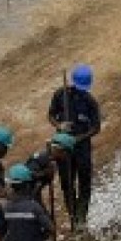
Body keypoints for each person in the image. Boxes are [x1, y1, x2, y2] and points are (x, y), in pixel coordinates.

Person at [47, 63, 101, 228]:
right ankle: (72, 215)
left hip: (82, 148)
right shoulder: (60, 95)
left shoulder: (90, 102)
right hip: (63, 149)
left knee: (84, 182)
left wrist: (79, 139)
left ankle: (81, 216)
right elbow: (50, 115)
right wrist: (59, 125)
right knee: (67, 183)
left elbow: (96, 128)